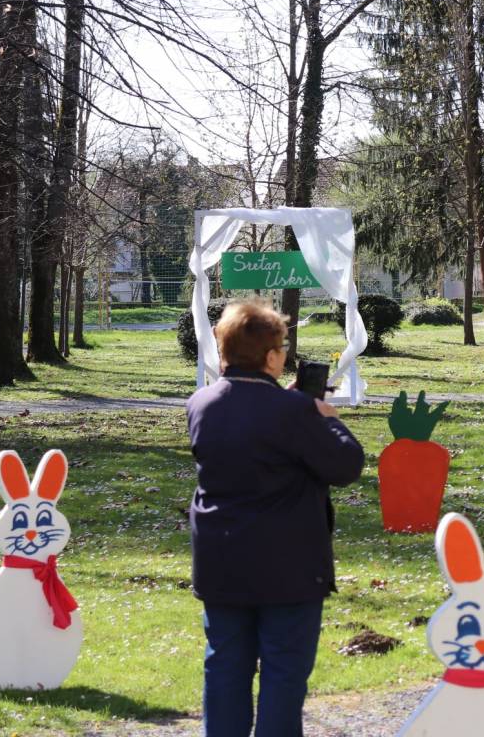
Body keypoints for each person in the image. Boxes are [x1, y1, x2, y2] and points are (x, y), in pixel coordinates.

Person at [186, 299, 365, 736]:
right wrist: (329, 420)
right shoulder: (295, 413)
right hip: (289, 567)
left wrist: (289, 404)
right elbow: (345, 465)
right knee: (283, 674)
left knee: (225, 667)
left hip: (220, 560)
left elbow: (251, 423)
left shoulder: (201, 403)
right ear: (270, 358)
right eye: (282, 348)